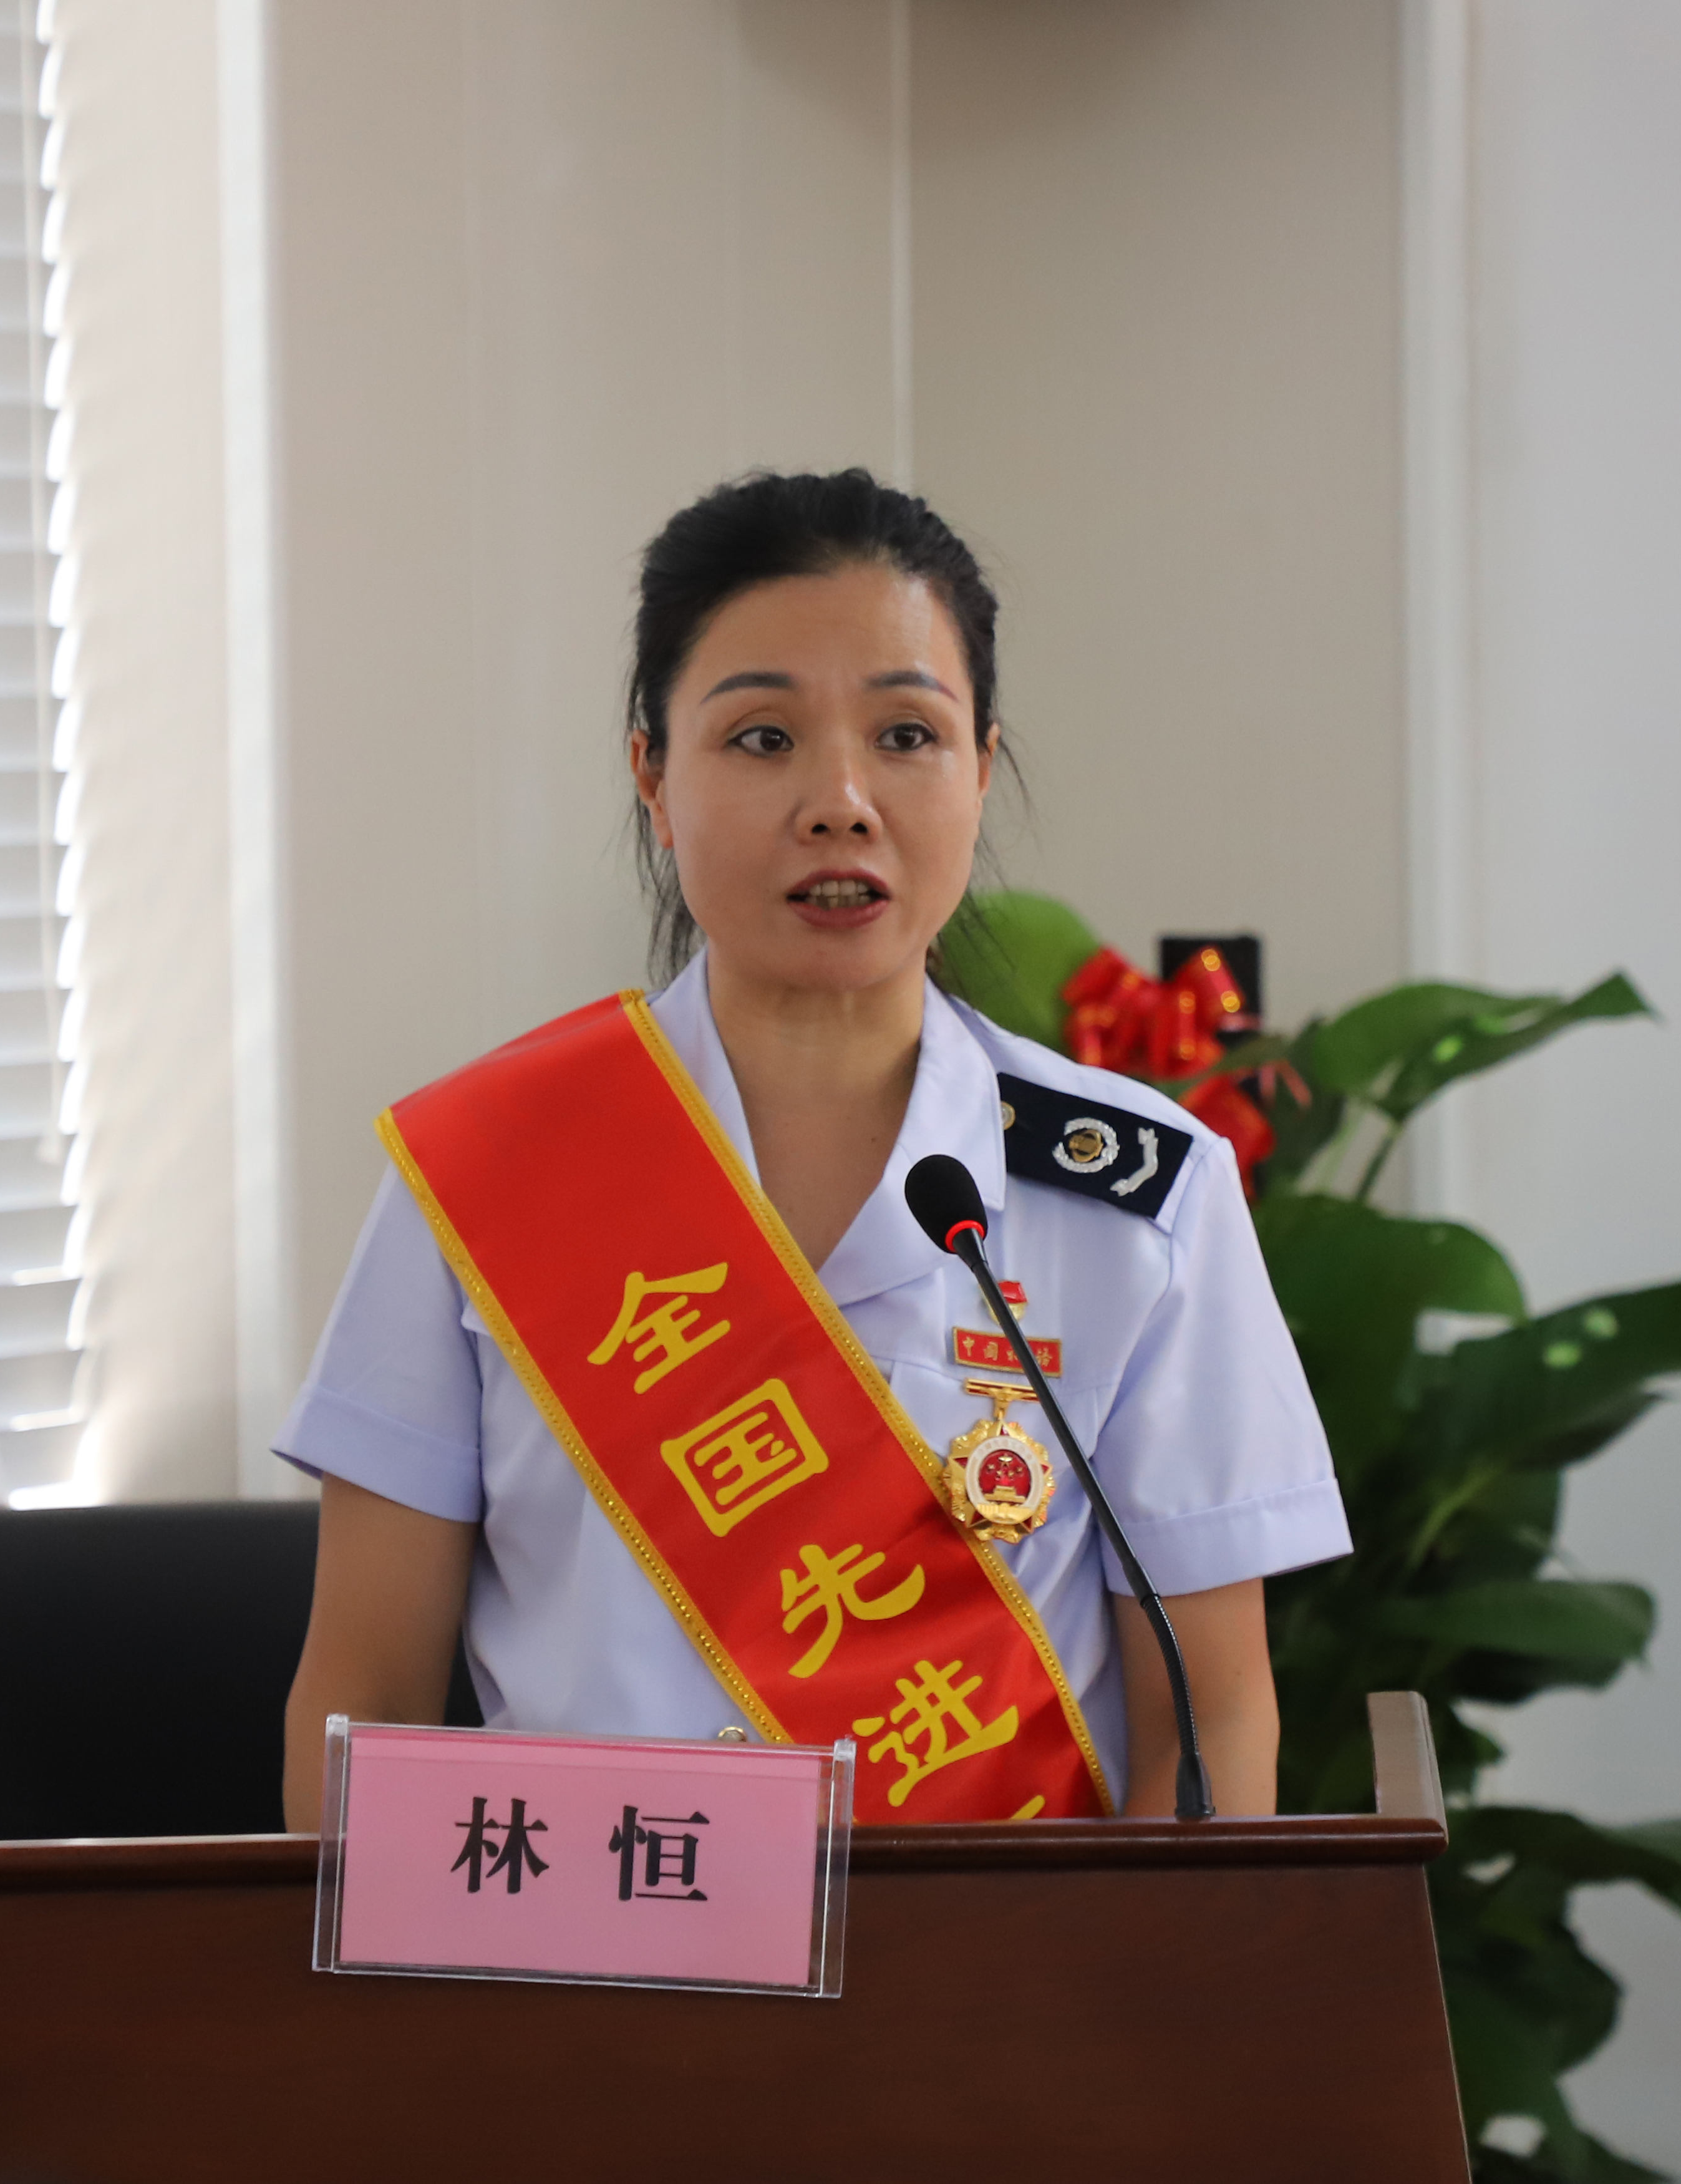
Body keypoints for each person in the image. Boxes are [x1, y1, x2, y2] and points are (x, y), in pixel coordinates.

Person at [278, 470, 1345, 1830]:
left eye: (906, 733)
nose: (841, 800)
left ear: (980, 768)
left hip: (993, 1962)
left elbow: (1205, 1726)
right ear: (654, 777)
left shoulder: (1142, 1200)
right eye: (763, 737)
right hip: (585, 1950)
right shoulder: (485, 1173)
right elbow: (363, 1696)